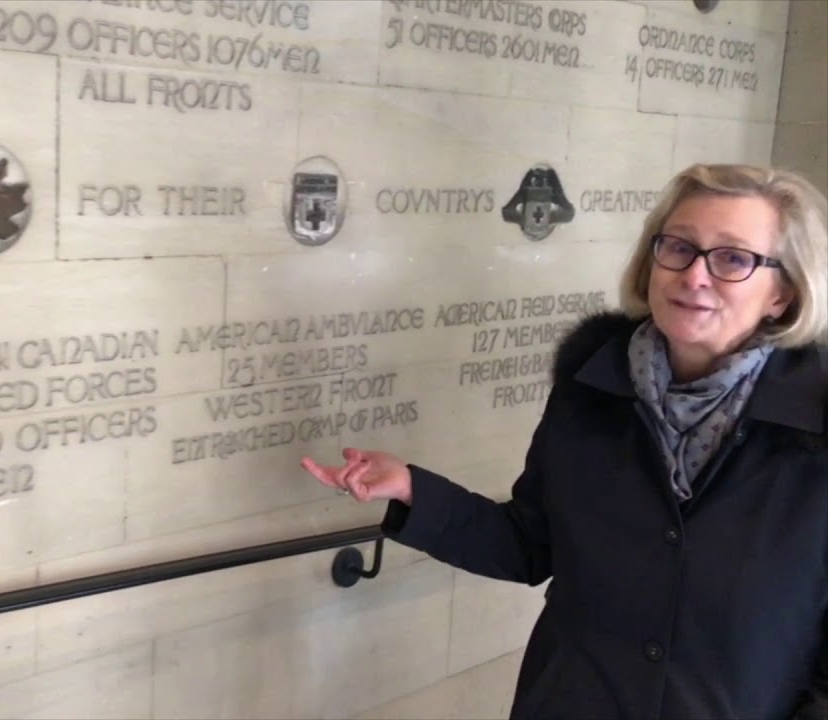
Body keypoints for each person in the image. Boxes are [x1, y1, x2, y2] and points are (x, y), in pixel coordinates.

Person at [301, 163, 828, 720]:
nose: (695, 275)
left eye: (733, 259)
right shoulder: (594, 387)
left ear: (783, 293)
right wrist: (413, 490)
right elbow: (530, 543)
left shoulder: (814, 426)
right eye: (679, 247)